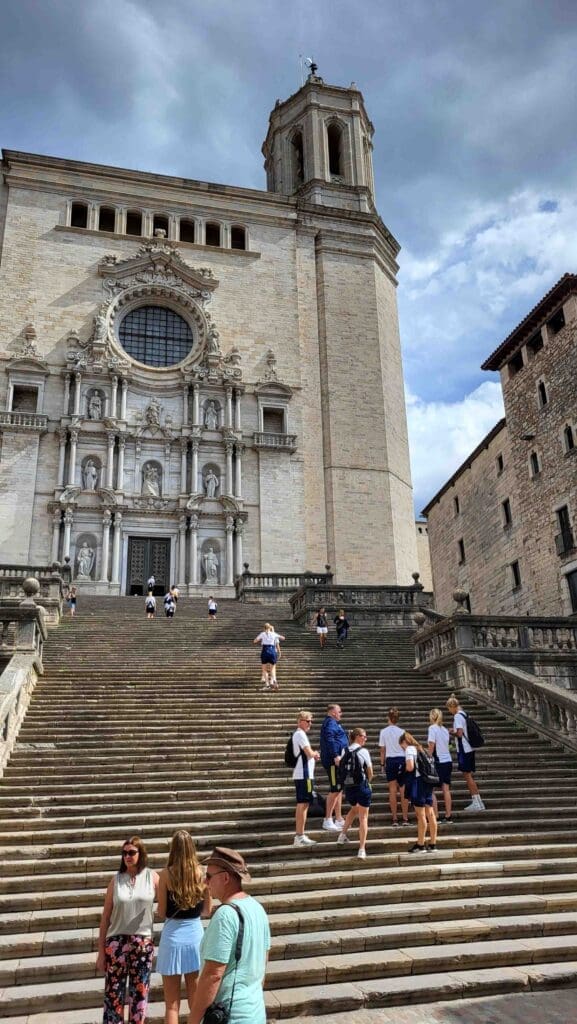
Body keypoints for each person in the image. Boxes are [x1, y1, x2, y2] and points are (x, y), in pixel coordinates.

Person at [189, 847, 270, 1024]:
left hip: (231, 1016)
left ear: (225, 878)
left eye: (209, 876)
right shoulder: (258, 909)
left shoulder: (225, 914)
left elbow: (213, 975)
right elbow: (263, 962)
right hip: (254, 1012)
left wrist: (194, 1020)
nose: (205, 881)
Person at [96, 836, 159, 1024]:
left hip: (142, 942)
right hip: (116, 943)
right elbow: (105, 918)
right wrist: (101, 952)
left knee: (139, 994)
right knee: (113, 994)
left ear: (141, 854)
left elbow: (169, 899)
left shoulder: (152, 876)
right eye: (124, 853)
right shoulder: (115, 881)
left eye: (131, 852)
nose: (127, 856)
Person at [157, 830, 212, 1024]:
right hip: (195, 936)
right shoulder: (201, 873)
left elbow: (162, 912)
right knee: (195, 1001)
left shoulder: (165, 874)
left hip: (172, 937)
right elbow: (207, 910)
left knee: (171, 1004)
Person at [336, 727, 373, 858]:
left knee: (354, 809)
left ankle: (342, 835)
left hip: (349, 787)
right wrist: (368, 782)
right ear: (357, 736)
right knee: (363, 817)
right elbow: (370, 772)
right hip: (361, 786)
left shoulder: (344, 750)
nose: (366, 739)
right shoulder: (363, 751)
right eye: (364, 736)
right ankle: (362, 849)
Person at [399, 732, 438, 853]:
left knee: (420, 815)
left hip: (418, 783)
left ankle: (420, 844)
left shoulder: (410, 749)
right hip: (428, 782)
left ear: (404, 742)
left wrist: (403, 768)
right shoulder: (422, 749)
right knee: (430, 813)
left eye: (402, 746)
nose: (402, 748)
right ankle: (433, 844)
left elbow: (410, 767)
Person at [446, 695, 486, 811]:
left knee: (467, 776)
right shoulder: (464, 714)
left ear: (452, 706)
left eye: (449, 708)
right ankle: (478, 801)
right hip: (469, 748)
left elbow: (459, 733)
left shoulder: (458, 716)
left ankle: (476, 801)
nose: (449, 711)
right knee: (468, 775)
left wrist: (450, 732)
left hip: (464, 748)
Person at [291, 710, 320, 846]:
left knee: (303, 803)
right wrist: (315, 753)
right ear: (300, 721)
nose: (310, 724)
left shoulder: (299, 734)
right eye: (308, 721)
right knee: (303, 804)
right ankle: (300, 836)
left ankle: (300, 835)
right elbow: (308, 753)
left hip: (303, 773)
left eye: (311, 721)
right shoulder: (300, 734)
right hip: (304, 774)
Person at [379, 707, 409, 827]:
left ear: (388, 718)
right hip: (402, 759)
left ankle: (395, 818)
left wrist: (382, 764)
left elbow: (382, 750)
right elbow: (405, 747)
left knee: (392, 790)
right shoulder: (402, 731)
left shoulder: (383, 731)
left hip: (390, 760)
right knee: (403, 790)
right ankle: (405, 818)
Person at [319, 704, 348, 831]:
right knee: (335, 788)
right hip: (333, 761)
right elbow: (330, 740)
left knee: (339, 789)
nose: (341, 713)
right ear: (333, 712)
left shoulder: (333, 723)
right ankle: (328, 819)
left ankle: (339, 818)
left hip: (337, 760)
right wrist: (336, 755)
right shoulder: (330, 723)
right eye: (339, 711)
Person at [428, 708, 453, 823]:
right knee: (446, 789)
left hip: (438, 761)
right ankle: (448, 815)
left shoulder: (432, 729)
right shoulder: (444, 730)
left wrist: (427, 756)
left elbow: (432, 746)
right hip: (447, 760)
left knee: (431, 789)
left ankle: (436, 815)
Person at [253, 622, 285, 691]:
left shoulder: (262, 634)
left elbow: (255, 641)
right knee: (272, 669)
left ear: (264, 628)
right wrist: (275, 636)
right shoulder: (274, 634)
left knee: (264, 670)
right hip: (272, 651)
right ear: (270, 627)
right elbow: (283, 638)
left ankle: (267, 685)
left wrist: (261, 639)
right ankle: (274, 681)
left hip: (265, 650)